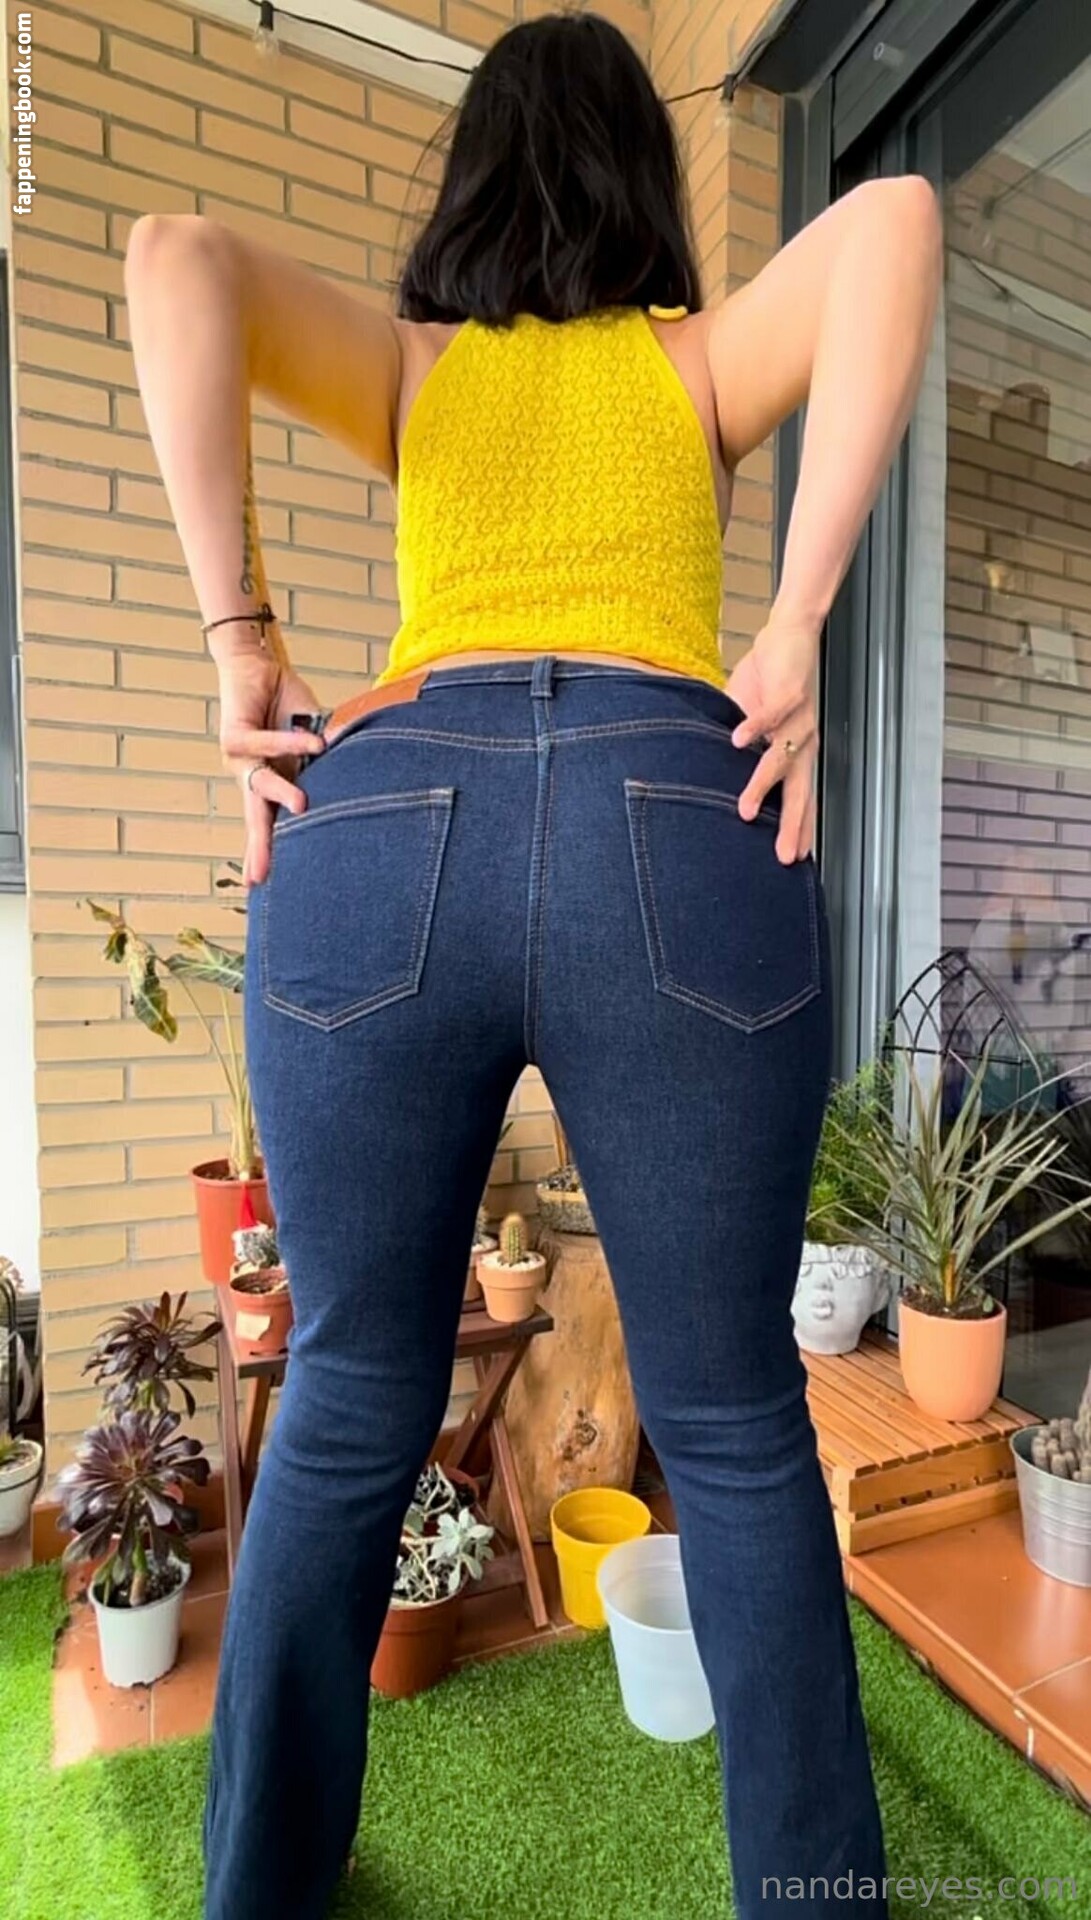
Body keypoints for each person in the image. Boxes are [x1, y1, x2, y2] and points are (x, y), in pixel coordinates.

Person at [123, 13, 941, 1919]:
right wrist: (797, 622)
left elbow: (170, 260)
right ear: (646, 177)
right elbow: (897, 218)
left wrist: (241, 638)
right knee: (732, 1419)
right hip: (679, 809)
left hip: (387, 815)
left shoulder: (417, 370)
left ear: (470, 178)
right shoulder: (692, 361)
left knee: (348, 1393)